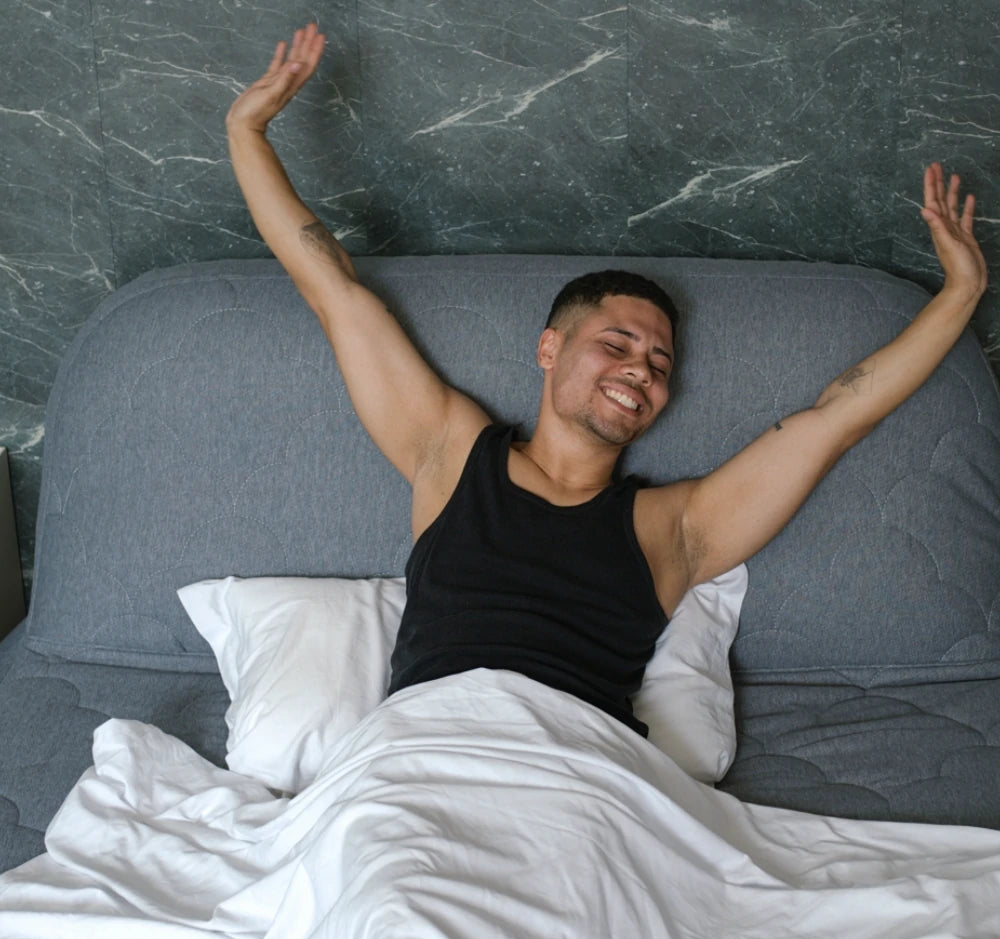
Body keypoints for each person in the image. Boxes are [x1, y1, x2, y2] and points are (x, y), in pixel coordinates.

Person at [226, 24, 988, 735]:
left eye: (659, 363)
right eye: (617, 344)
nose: (639, 371)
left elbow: (837, 417)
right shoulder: (447, 454)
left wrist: (960, 295)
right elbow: (334, 292)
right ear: (549, 348)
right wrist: (246, 133)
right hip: (428, 748)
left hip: (583, 775)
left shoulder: (677, 528)